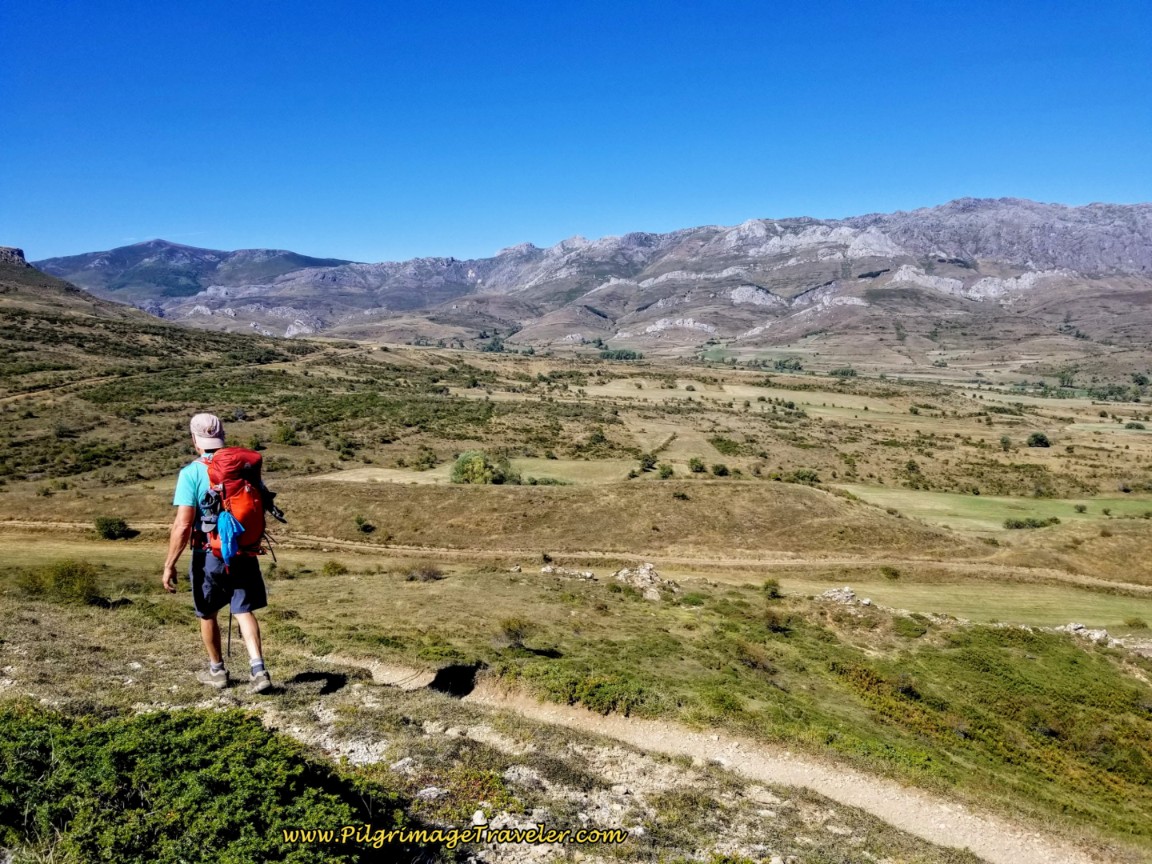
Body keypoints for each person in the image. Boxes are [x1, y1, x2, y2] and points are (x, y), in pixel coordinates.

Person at [162, 412, 272, 694]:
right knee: (243, 610)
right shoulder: (243, 468)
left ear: (194, 440)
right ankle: (258, 669)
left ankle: (217, 671)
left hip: (208, 552)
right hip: (243, 550)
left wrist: (169, 564)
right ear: (222, 436)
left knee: (207, 612)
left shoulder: (190, 473)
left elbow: (184, 524)